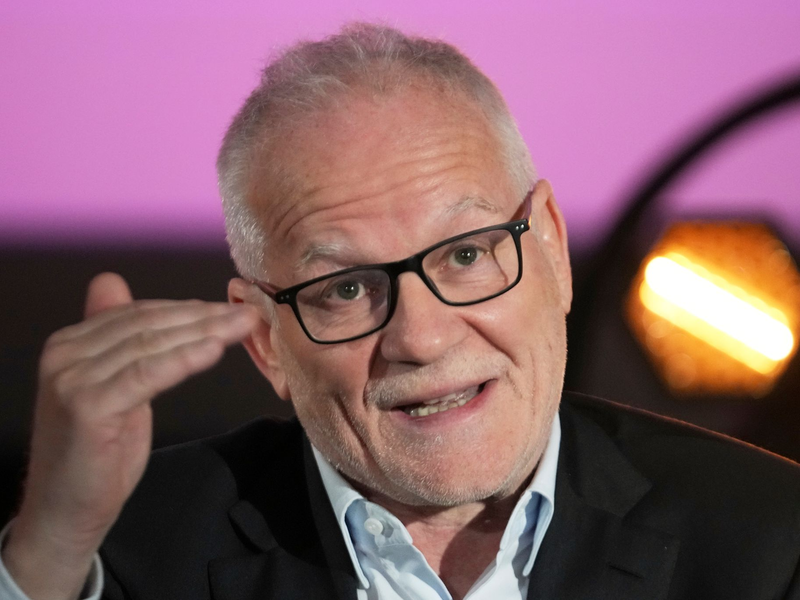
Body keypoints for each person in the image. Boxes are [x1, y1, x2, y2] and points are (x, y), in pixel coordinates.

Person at [2, 22, 799, 600]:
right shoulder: (117, 554)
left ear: (551, 249)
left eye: (464, 254)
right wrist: (54, 551)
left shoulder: (769, 541)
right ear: (266, 341)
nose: (419, 336)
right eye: (346, 288)